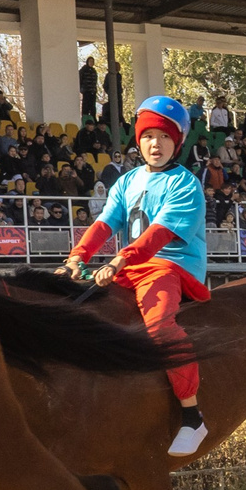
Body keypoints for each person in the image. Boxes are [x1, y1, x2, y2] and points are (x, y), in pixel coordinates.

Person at [64, 94, 210, 456]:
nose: (154, 144)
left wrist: (117, 262)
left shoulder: (185, 184)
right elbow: (104, 223)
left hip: (170, 265)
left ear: (176, 143)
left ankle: (192, 416)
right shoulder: (127, 181)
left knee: (160, 327)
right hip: (131, 266)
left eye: (163, 137)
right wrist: (76, 256)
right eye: (147, 136)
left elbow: (158, 236)